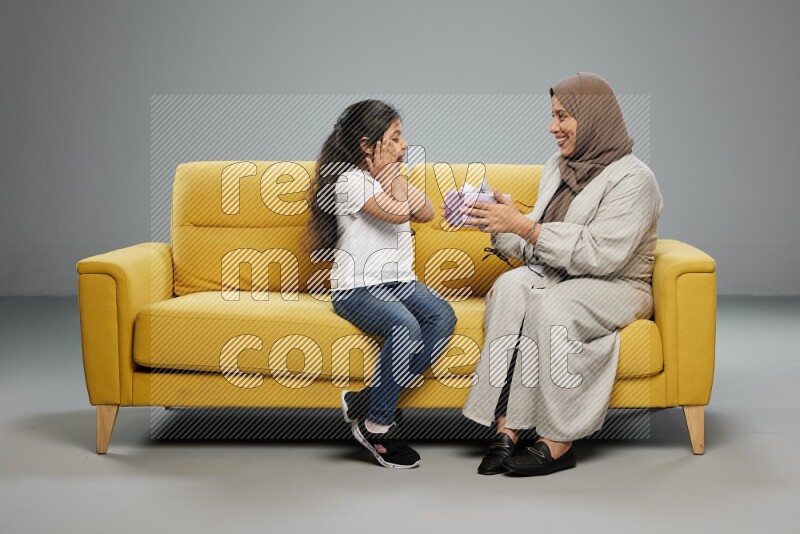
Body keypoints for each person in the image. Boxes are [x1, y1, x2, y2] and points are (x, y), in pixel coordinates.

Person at [454, 73, 664, 476]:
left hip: (617, 284)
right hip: (563, 274)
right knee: (510, 287)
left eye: (563, 116)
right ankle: (508, 426)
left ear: (593, 117)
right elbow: (535, 238)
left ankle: (558, 438)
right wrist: (500, 223)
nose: (553, 127)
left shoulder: (636, 179)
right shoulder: (559, 166)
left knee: (552, 306)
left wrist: (524, 227)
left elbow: (602, 253)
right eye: (553, 116)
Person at [307, 99, 457, 469]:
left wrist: (395, 180)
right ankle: (376, 425)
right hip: (357, 287)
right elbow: (396, 213)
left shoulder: (390, 180)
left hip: (399, 282)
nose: (404, 145)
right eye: (396, 137)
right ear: (367, 144)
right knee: (404, 325)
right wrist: (396, 185)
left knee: (442, 317)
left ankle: (370, 399)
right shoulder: (349, 181)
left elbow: (428, 212)